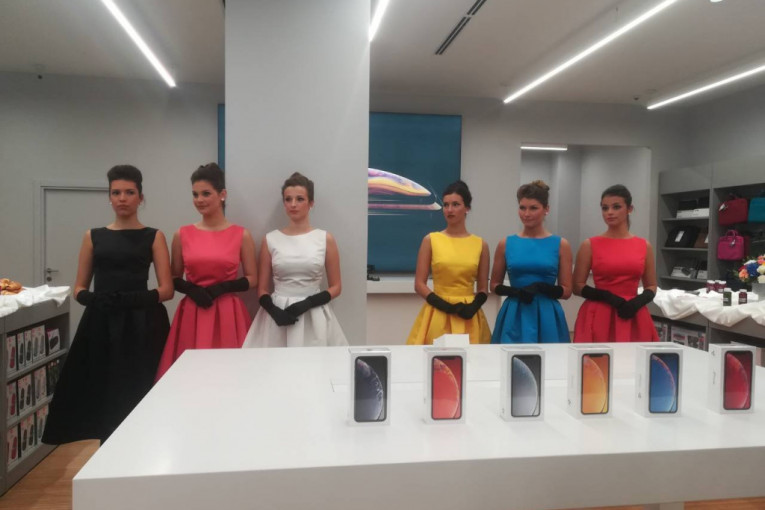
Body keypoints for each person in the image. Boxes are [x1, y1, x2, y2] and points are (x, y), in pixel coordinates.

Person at [43, 165, 173, 444]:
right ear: (109, 197)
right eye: (116, 192)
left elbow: (167, 289)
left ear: (140, 197)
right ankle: (106, 449)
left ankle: (144, 446)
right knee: (103, 387)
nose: (122, 198)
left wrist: (132, 299)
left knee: (139, 384)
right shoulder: (93, 236)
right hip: (102, 322)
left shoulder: (154, 236)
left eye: (129, 192)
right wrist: (93, 299)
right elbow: (79, 287)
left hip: (141, 324)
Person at [155, 163, 256, 380]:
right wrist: (192, 290)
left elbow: (252, 278)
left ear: (222, 195)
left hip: (228, 312)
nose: (199, 200)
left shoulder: (241, 235)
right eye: (195, 194)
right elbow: (174, 277)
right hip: (193, 311)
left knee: (230, 375)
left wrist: (224, 287)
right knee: (190, 376)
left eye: (206, 193)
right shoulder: (182, 234)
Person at [242, 172, 347, 347]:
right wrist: (273, 310)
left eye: (300, 199)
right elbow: (262, 289)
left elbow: (336, 287)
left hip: (314, 315)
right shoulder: (270, 239)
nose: (293, 204)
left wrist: (308, 303)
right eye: (288, 199)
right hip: (277, 313)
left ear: (311, 203)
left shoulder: (325, 239)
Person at [406, 180, 491, 345]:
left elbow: (483, 288)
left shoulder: (480, 244)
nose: (449, 210)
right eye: (446, 205)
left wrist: (473, 306)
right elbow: (419, 284)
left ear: (467, 208)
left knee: (473, 358)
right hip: (438, 313)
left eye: (455, 204)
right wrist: (444, 306)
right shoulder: (431, 240)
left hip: (469, 315)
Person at [572, 184, 658, 342]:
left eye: (616, 207)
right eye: (605, 208)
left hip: (634, 313)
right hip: (600, 313)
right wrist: (606, 296)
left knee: (634, 357)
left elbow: (651, 285)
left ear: (629, 209)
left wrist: (638, 302)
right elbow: (577, 286)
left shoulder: (644, 246)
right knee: (598, 357)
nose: (609, 212)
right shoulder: (589, 245)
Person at [491, 180, 572, 343]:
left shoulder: (561, 244)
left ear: (546, 209)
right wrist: (516, 292)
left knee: (551, 357)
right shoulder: (506, 243)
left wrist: (542, 287)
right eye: (522, 208)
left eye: (533, 208)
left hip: (547, 314)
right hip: (514, 312)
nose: (526, 214)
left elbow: (567, 291)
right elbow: (494, 285)